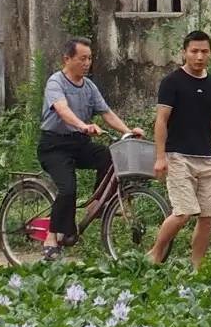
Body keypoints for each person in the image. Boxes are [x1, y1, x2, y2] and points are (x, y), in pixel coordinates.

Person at [38, 37, 144, 261]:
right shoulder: (56, 82)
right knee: (67, 189)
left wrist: (128, 131)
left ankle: (96, 206)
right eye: (82, 59)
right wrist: (83, 125)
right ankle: (51, 237)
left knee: (109, 156)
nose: (87, 63)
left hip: (79, 144)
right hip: (54, 145)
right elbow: (61, 109)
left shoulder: (89, 86)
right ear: (67, 59)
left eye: (90, 59)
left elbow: (106, 112)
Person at [147, 30, 211, 269]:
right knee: (183, 212)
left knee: (208, 216)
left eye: (204, 51)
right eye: (194, 51)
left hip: (206, 158)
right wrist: (160, 157)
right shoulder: (172, 82)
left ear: (210, 54)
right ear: (184, 53)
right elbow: (161, 120)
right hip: (178, 156)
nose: (199, 56)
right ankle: (155, 252)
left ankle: (197, 266)